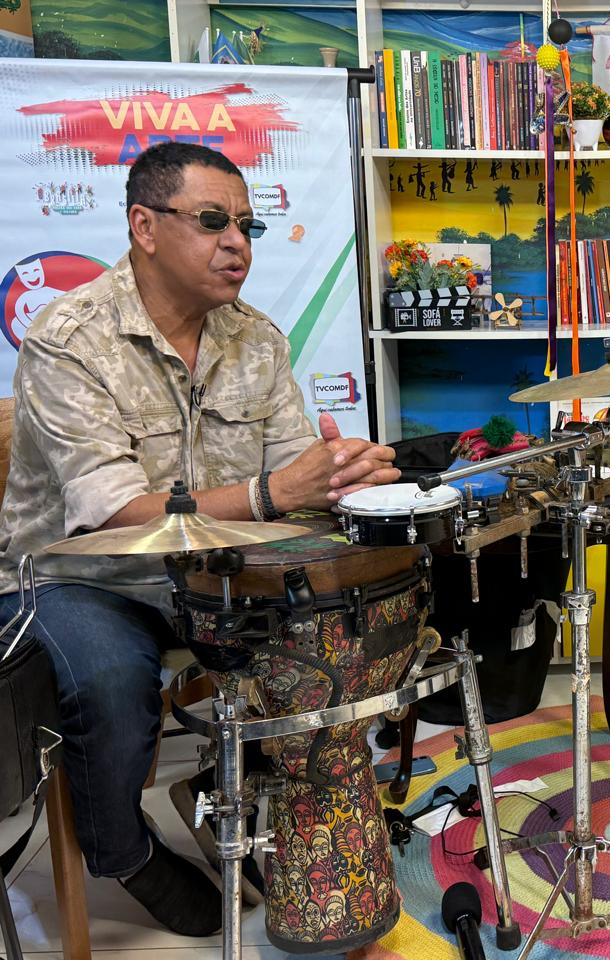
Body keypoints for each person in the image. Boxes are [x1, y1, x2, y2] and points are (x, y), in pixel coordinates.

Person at [0, 142, 399, 936]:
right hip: (80, 577)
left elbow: (293, 481)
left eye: (248, 225)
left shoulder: (257, 339)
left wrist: (339, 477)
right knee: (110, 677)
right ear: (144, 227)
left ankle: (249, 797)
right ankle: (122, 851)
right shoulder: (67, 338)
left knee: (334, 621)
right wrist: (272, 492)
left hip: (214, 572)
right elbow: (112, 511)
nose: (237, 244)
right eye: (214, 222)